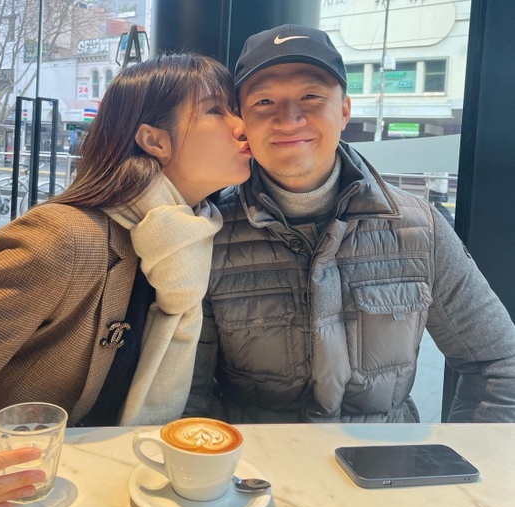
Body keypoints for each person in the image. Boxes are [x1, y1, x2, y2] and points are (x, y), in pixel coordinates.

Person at [0, 53, 250, 507]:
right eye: (216, 110)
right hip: (17, 488)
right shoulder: (64, 238)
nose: (241, 125)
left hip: (118, 481)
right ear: (154, 140)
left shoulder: (197, 239)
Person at [186, 25, 515, 425]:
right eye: (264, 101)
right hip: (253, 462)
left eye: (311, 96)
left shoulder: (419, 228)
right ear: (242, 121)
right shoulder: (208, 231)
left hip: (384, 460)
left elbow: (498, 364)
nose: (289, 118)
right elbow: (188, 396)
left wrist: (453, 457)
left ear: (344, 111)